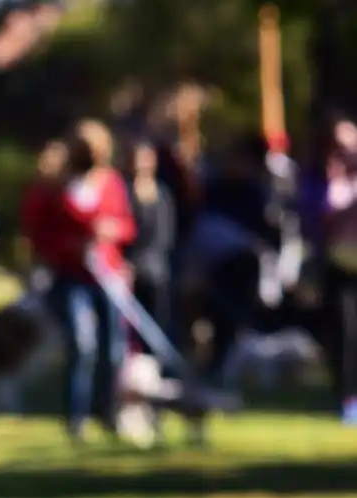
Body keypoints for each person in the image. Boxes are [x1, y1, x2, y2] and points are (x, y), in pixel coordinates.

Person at [43, 121, 136, 442]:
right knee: (82, 344)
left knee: (114, 348)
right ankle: (75, 417)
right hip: (73, 276)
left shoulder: (111, 183)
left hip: (107, 274)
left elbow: (127, 226)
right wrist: (71, 246)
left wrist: (111, 231)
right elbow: (43, 235)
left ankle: (107, 411)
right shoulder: (58, 187)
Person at [186, 132, 281, 388]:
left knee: (235, 325)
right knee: (210, 324)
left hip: (243, 272)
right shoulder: (213, 190)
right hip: (212, 269)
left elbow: (269, 238)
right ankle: (211, 373)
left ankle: (229, 376)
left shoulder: (257, 196)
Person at [302, 115, 357, 423]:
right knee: (346, 332)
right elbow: (319, 219)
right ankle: (349, 397)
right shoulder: (323, 181)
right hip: (339, 266)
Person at [127, 139, 177, 354]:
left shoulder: (163, 194)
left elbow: (167, 234)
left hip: (157, 270)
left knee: (158, 325)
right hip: (131, 270)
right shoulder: (125, 192)